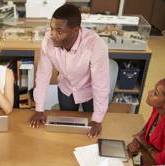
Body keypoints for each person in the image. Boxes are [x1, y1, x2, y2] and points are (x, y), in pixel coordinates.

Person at [29, 4, 109, 138]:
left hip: (90, 91)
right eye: (52, 29)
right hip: (66, 88)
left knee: (92, 130)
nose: (53, 35)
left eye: (59, 31)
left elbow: (100, 84)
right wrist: (39, 109)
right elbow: (43, 76)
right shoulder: (48, 41)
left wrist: (97, 119)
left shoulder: (95, 45)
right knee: (68, 129)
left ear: (75, 31)